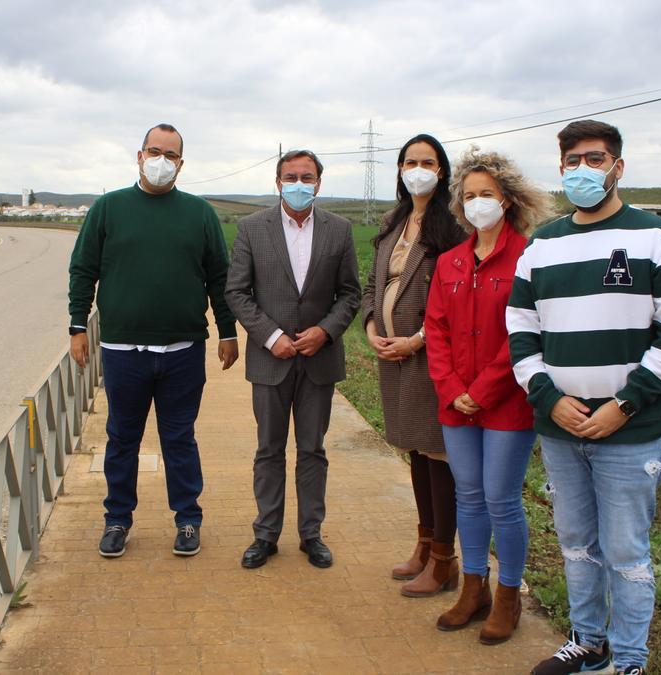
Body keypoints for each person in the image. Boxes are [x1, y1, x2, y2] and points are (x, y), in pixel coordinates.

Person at [509, 120, 661, 675]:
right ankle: (588, 640)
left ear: (618, 167)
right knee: (574, 542)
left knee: (626, 552)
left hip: (631, 430)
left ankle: (630, 660)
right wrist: (547, 398)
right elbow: (521, 330)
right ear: (560, 166)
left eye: (596, 159)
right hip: (562, 428)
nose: (583, 170)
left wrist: (625, 405)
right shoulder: (542, 245)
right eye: (572, 161)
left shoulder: (657, 237)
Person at [68, 123, 239, 559]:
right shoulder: (109, 208)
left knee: (179, 439)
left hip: (182, 351)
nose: (162, 160)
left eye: (171, 154)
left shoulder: (199, 214)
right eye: (154, 151)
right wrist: (76, 327)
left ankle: (187, 520)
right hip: (124, 351)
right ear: (139, 155)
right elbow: (83, 270)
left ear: (181, 163)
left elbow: (219, 278)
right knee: (122, 439)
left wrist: (226, 331)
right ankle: (117, 520)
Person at [427, 146, 555, 643]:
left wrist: (481, 390)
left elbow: (526, 333)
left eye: (488, 194)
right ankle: (473, 587)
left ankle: (508, 596)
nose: (478, 202)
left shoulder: (528, 256)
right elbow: (435, 328)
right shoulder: (451, 262)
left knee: (502, 500)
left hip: (506, 401)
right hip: (455, 403)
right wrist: (452, 388)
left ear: (508, 200)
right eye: (470, 195)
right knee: (469, 496)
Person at [225, 149, 361, 570]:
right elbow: (237, 292)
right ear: (277, 181)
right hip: (271, 361)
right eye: (290, 176)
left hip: (318, 359)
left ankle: (311, 534)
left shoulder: (339, 230)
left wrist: (325, 331)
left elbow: (350, 293)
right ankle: (265, 535)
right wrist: (271, 336)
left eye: (306, 176)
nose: (298, 184)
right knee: (269, 449)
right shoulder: (252, 228)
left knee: (312, 450)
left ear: (319, 183)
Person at [359, 134, 466, 597]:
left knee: (438, 452)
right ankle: (424, 545)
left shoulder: (452, 226)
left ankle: (445, 558)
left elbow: (456, 297)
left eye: (427, 162)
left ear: (441, 171)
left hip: (429, 355)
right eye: (409, 161)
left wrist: (417, 339)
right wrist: (370, 328)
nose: (417, 169)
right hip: (392, 356)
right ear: (400, 169)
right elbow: (372, 283)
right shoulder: (393, 222)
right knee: (415, 451)